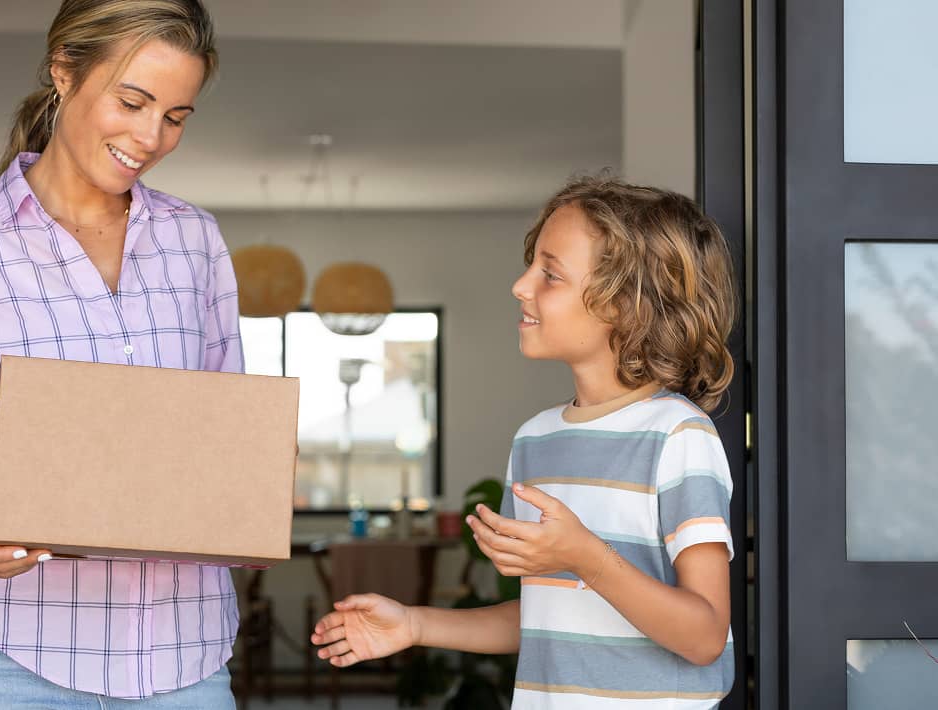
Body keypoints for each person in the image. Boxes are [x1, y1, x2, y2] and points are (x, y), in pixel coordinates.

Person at [0, 1, 244, 706]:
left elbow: (224, 430)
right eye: (133, 102)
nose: (151, 136)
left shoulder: (195, 240)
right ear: (64, 71)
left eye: (175, 116)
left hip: (186, 652)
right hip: (14, 654)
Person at [312, 176, 737, 708]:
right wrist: (415, 624)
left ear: (628, 305)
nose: (520, 285)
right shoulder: (535, 440)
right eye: (531, 266)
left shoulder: (679, 436)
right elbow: (546, 618)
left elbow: (704, 637)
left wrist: (585, 556)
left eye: (550, 274)